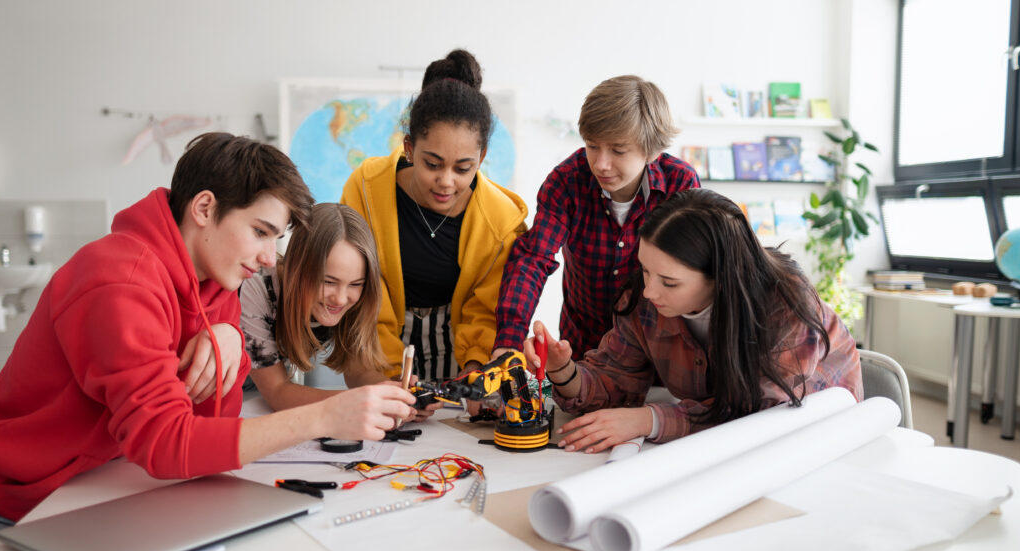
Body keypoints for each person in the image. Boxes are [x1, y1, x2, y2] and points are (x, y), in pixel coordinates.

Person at [0, 133, 415, 551]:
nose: (265, 258)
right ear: (205, 208)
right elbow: (167, 444)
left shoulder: (216, 280)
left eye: (274, 239)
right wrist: (324, 417)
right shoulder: (119, 281)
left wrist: (229, 336)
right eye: (260, 232)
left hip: (81, 499)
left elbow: (217, 417)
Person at [524, 189, 863, 453]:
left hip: (821, 444)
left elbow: (761, 417)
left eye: (669, 282)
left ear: (722, 277)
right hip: (719, 454)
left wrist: (651, 419)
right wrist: (562, 370)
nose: (649, 292)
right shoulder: (645, 298)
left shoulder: (785, 303)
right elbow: (614, 380)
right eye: (644, 270)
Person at [341, 49, 527, 381]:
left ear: (481, 157)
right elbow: (366, 293)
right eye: (432, 164)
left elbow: (484, 311)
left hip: (459, 354)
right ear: (409, 148)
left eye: (463, 168)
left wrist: (474, 372)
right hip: (375, 349)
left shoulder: (501, 222)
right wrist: (391, 377)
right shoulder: (366, 191)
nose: (446, 181)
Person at [494, 75, 700, 362]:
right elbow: (533, 259)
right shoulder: (566, 182)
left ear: (652, 150)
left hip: (659, 354)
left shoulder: (680, 183)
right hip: (583, 352)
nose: (601, 164)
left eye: (618, 150)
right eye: (592, 146)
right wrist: (509, 340)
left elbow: (696, 273)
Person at [239, 202, 438, 420]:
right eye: (328, 282)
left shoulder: (360, 298)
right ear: (298, 268)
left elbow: (358, 371)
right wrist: (363, 402)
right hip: (231, 398)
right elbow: (277, 392)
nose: (341, 298)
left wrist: (391, 393)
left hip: (261, 403)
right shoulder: (257, 287)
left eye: (355, 284)